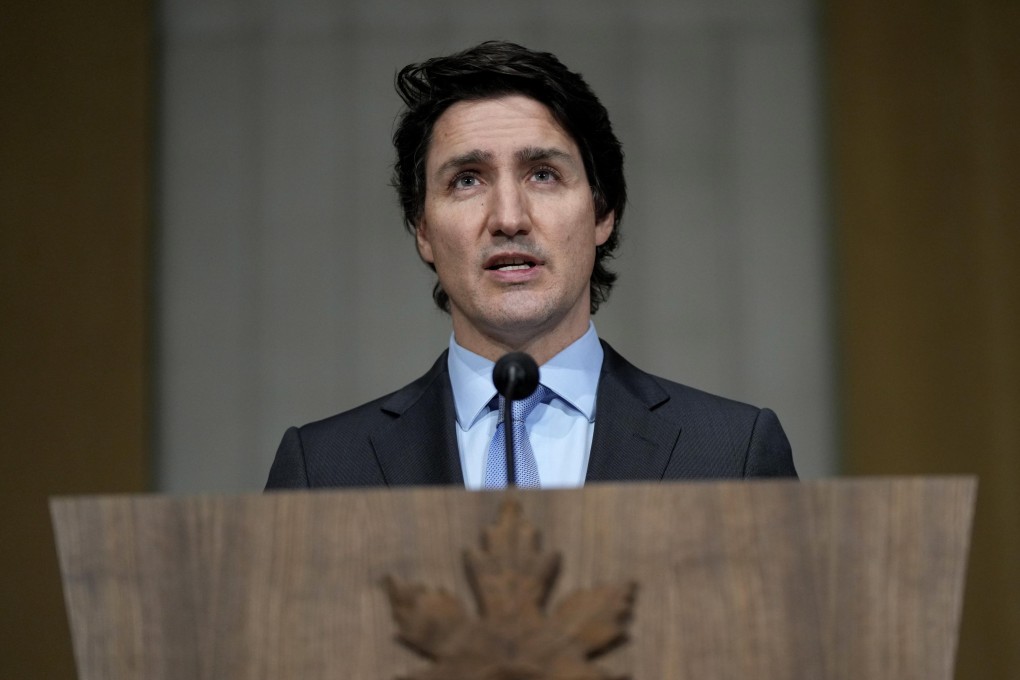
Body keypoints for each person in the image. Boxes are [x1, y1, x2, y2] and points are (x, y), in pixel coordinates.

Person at [265, 41, 796, 490]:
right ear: (422, 228)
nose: (508, 218)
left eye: (542, 174)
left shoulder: (732, 455)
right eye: (467, 179)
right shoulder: (324, 469)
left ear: (603, 212)